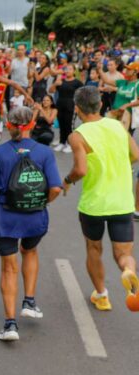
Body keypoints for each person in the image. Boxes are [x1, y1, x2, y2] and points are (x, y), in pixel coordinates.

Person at [0, 106, 62, 341]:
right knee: (30, 250)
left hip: (6, 215)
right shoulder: (44, 153)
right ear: (32, 125)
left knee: (8, 267)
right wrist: (41, 202)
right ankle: (29, 301)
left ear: (9, 125)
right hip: (34, 217)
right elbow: (55, 187)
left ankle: (10, 324)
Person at [63, 86, 139, 312]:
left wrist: (67, 180)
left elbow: (81, 170)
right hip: (122, 201)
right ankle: (129, 272)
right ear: (100, 105)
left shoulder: (78, 136)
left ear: (77, 109)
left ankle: (102, 295)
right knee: (123, 254)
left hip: (94, 204)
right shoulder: (117, 126)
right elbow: (135, 155)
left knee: (94, 249)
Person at [49, 64, 83, 153]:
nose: (68, 71)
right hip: (60, 105)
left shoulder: (77, 82)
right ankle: (62, 142)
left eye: (70, 69)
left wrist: (79, 106)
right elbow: (51, 91)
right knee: (62, 124)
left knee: (69, 126)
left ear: (74, 71)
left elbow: (83, 94)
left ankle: (70, 144)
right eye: (66, 69)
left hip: (71, 106)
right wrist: (55, 84)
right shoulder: (61, 81)